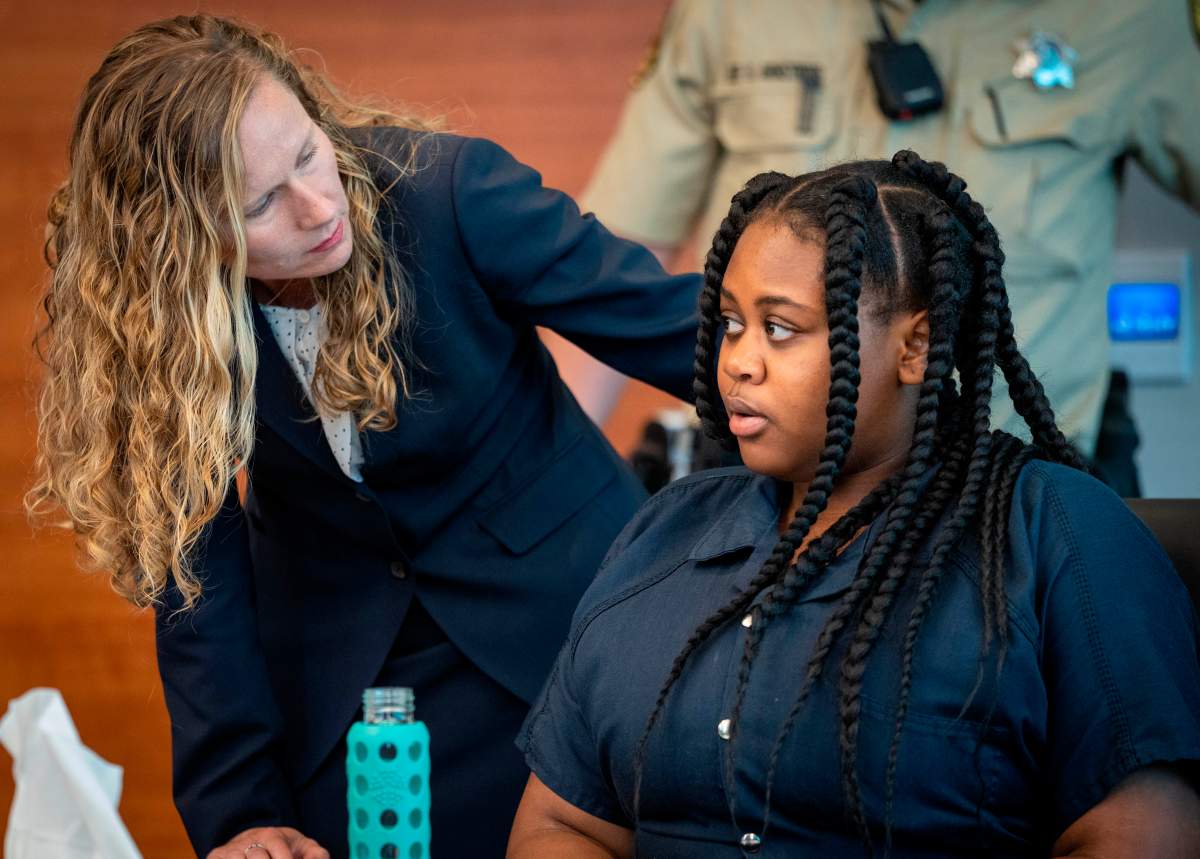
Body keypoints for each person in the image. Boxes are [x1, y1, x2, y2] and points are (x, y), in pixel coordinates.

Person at [26, 15, 702, 859]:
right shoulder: (162, 322)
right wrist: (240, 808)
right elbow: (196, 574)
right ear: (182, 241)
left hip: (566, 629)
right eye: (263, 203)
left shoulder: (451, 195)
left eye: (308, 153)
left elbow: (683, 334)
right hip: (350, 675)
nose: (318, 207)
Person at [510, 154, 1200, 857]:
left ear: (917, 348)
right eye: (731, 323)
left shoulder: (1057, 537)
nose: (739, 361)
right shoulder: (664, 532)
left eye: (779, 327)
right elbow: (564, 822)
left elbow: (1142, 837)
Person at [578, 0, 1200, 493]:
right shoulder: (727, 10)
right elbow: (618, 258)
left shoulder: (1131, 15)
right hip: (763, 489)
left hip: (1020, 482)